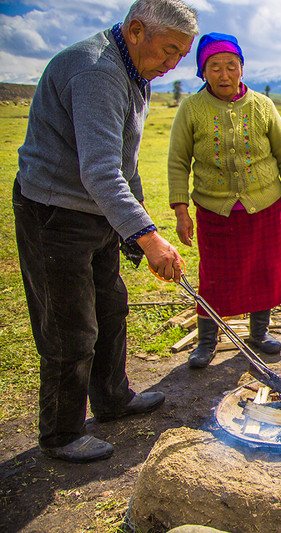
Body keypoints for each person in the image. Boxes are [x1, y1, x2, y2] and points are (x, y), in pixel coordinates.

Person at [12, 0, 198, 463]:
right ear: (136, 30)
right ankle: (61, 434)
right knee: (70, 327)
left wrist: (136, 229)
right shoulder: (97, 72)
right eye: (169, 51)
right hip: (55, 212)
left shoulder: (135, 72)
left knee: (111, 308)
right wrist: (149, 237)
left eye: (181, 55)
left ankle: (113, 398)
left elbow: (124, 162)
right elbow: (99, 171)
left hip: (96, 211)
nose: (173, 64)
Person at [168, 33, 281, 369]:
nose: (224, 74)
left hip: (265, 205)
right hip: (215, 210)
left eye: (231, 66)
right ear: (203, 72)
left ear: (242, 68)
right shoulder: (191, 109)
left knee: (265, 272)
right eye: (214, 67)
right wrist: (180, 210)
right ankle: (207, 341)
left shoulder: (263, 106)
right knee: (213, 277)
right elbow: (177, 161)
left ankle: (259, 334)